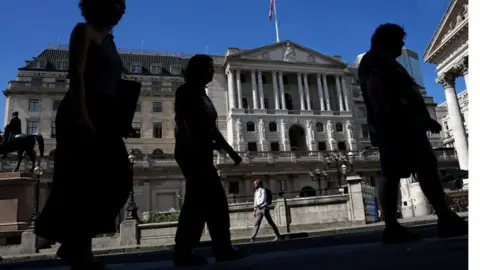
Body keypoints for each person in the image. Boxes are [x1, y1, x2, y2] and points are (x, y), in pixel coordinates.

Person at [34, 0, 131, 269]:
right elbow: (75, 75)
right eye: (117, 4)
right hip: (81, 112)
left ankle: (74, 242)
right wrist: (82, 114)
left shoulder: (110, 40)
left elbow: (112, 84)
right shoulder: (83, 30)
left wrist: (121, 119)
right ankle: (80, 252)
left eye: (122, 5)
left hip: (105, 117)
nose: (122, 8)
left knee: (119, 179)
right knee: (81, 184)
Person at [358, 23, 468, 244]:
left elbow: (409, 92)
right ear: (388, 41)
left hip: (409, 125)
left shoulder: (390, 63)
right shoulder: (375, 60)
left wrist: (426, 119)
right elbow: (375, 88)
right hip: (395, 125)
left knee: (426, 168)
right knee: (392, 174)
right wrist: (383, 116)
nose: (403, 44)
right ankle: (392, 226)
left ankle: (444, 217)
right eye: (400, 40)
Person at [173, 54, 249, 266]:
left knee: (203, 202)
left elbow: (212, 129)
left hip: (203, 152)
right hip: (191, 153)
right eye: (208, 68)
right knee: (210, 201)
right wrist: (192, 145)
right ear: (197, 70)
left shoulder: (203, 96)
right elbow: (181, 122)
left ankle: (193, 249)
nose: (212, 71)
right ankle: (199, 250)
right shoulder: (185, 91)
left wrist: (230, 151)